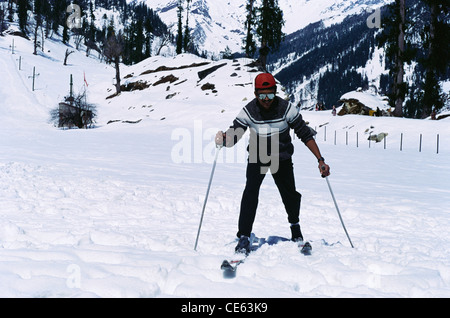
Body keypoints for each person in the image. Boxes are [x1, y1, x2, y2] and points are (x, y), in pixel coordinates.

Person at [215, 73, 330, 254]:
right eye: (262, 95)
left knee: (290, 194)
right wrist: (224, 139)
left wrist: (320, 160)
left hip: (281, 157)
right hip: (257, 157)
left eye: (270, 95)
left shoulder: (286, 109)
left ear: (276, 93)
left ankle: (295, 228)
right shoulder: (249, 111)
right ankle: (244, 236)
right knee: (250, 193)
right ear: (255, 94)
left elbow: (304, 134)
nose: (267, 100)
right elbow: (234, 135)